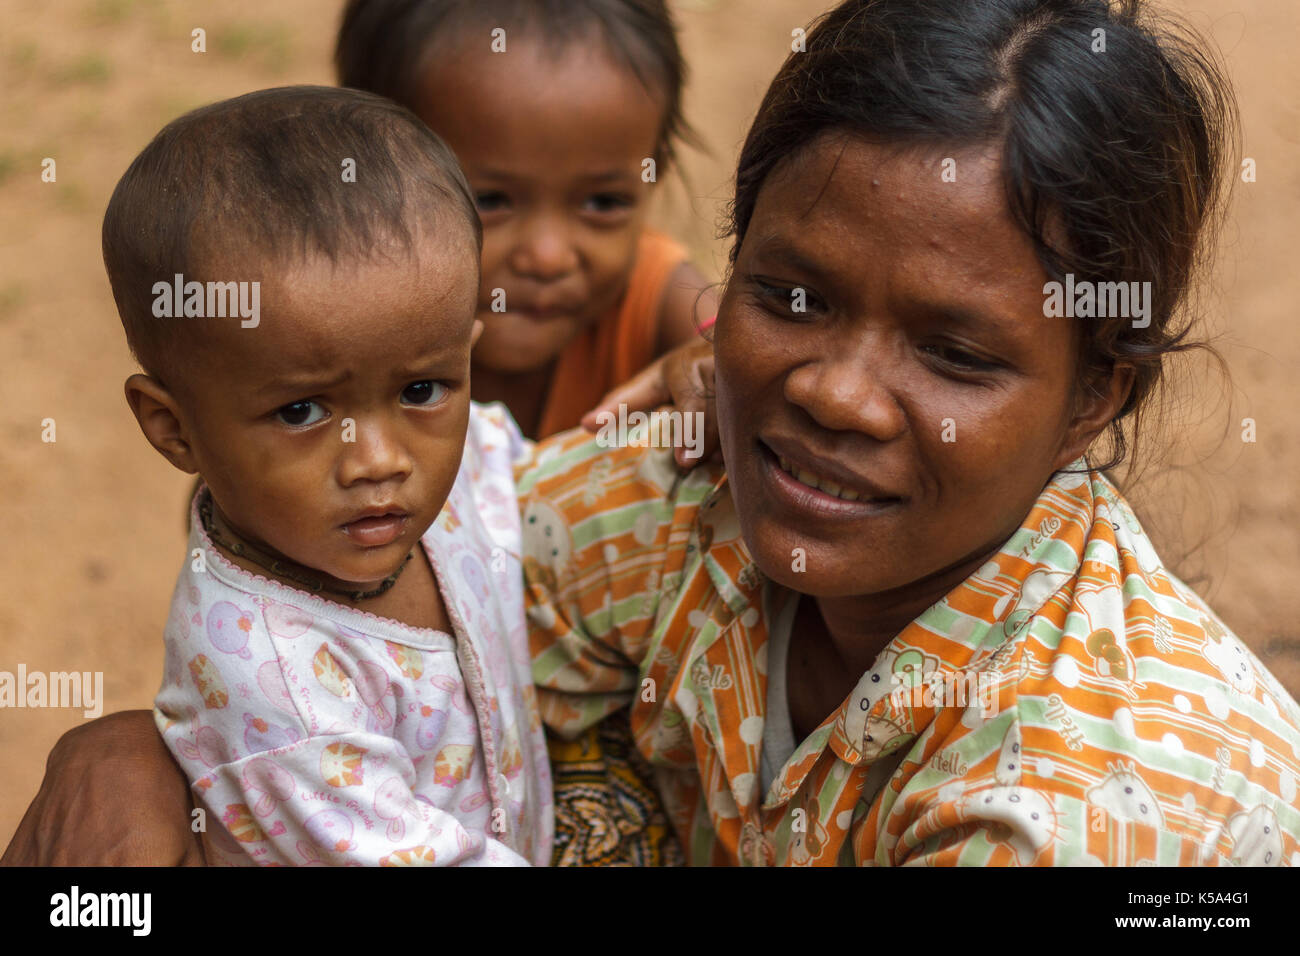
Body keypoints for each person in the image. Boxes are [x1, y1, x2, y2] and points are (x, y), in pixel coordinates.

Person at [8, 0, 1300, 867]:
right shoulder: (683, 499)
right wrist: (147, 747)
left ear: (1094, 398)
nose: (836, 394)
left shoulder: (1084, 802)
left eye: (955, 355)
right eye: (792, 299)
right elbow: (359, 636)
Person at [101, 86, 550, 866]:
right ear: (173, 428)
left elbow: (551, 489)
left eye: (421, 390)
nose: (379, 459)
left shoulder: (462, 446)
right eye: (303, 411)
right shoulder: (266, 678)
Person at [336, 0, 718, 440]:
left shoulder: (652, 298)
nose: (548, 257)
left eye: (602, 203)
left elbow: (737, 349)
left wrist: (709, 365)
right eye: (490, 199)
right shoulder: (321, 309)